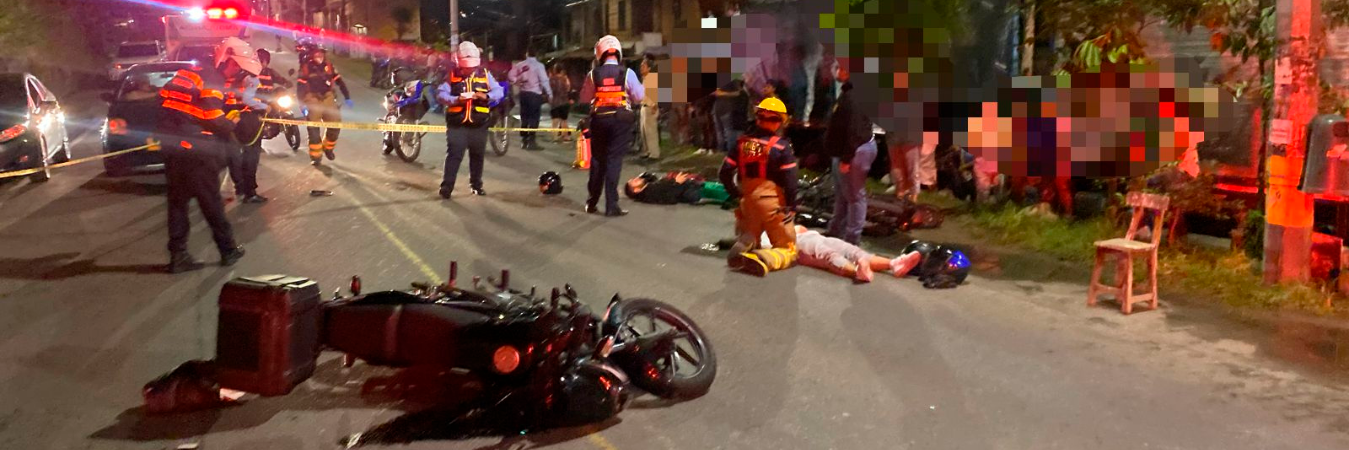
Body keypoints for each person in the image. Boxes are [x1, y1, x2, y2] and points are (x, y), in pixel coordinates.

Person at [156, 39, 248, 273]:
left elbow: (163, 99)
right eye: (237, 68)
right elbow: (215, 118)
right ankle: (228, 250)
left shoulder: (189, 70)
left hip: (172, 145)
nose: (236, 73)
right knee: (211, 201)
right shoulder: (213, 78)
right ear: (229, 62)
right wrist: (232, 123)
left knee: (177, 202)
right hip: (196, 149)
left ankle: (178, 255)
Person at [719, 97, 800, 276]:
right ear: (779, 121)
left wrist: (737, 194)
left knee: (751, 232)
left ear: (758, 118)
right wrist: (792, 207)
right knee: (790, 250)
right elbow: (791, 182)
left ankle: (746, 242)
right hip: (772, 203)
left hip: (747, 202)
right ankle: (763, 258)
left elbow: (724, 173)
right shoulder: (782, 147)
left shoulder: (744, 144)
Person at [578, 35, 645, 217]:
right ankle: (611, 205)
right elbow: (639, 96)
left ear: (599, 54)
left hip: (599, 120)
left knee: (598, 160)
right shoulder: (627, 73)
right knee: (614, 160)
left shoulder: (593, 75)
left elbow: (584, 99)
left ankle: (592, 202)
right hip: (621, 121)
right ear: (618, 53)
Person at [436, 41, 504, 199]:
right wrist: (456, 99)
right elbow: (441, 95)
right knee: (454, 154)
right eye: (466, 66)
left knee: (477, 155)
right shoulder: (451, 76)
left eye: (471, 66)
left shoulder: (485, 75)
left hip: (479, 124)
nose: (469, 69)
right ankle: (447, 187)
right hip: (457, 123)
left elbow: (498, 91)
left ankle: (476, 185)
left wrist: (486, 96)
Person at [823, 64, 876, 244]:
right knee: (842, 193)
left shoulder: (855, 96)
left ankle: (852, 238)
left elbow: (855, 130)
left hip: (855, 152)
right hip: (845, 151)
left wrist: (847, 158)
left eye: (840, 67)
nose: (836, 71)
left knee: (854, 196)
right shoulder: (848, 92)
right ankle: (836, 230)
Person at [760, 225, 921, 283]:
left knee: (851, 250)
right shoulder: (763, 235)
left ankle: (894, 264)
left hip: (813, 237)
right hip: (801, 244)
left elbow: (800, 228)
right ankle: (857, 271)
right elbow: (779, 248)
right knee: (831, 255)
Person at [221, 38, 270, 204]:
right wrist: (264, 106)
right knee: (251, 155)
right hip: (247, 120)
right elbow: (249, 99)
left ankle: (241, 187)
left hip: (228, 119)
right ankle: (250, 192)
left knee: (234, 156)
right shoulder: (251, 77)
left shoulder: (227, 76)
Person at [295, 47, 352, 165]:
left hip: (328, 97)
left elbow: (339, 81)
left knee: (335, 124)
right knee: (313, 129)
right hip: (312, 98)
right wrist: (302, 104)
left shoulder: (329, 66)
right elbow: (300, 87)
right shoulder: (306, 68)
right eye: (316, 54)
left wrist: (347, 97)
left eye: (321, 54)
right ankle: (316, 157)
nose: (319, 56)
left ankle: (328, 148)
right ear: (312, 56)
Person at [508, 48, 551, 151]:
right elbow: (544, 80)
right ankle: (531, 142)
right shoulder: (539, 66)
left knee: (524, 117)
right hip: (535, 95)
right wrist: (549, 93)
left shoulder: (519, 65)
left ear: (526, 54)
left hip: (523, 94)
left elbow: (510, 76)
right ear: (536, 54)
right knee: (534, 118)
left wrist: (517, 81)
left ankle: (524, 141)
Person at [625, 171, 731, 206]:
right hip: (689, 191)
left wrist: (643, 176)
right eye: (634, 182)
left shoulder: (649, 186)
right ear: (636, 190)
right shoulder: (649, 193)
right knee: (716, 190)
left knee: (715, 187)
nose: (636, 179)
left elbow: (653, 178)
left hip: (689, 186)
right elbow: (669, 198)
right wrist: (677, 183)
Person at [712, 79, 749, 155]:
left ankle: (731, 151)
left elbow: (737, 92)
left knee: (729, 132)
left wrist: (722, 93)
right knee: (720, 131)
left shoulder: (733, 81)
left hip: (727, 109)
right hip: (718, 109)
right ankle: (722, 149)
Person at [639, 53, 661, 160]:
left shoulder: (652, 78)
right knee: (644, 132)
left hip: (650, 107)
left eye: (643, 66)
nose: (641, 68)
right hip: (644, 107)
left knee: (651, 132)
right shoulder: (646, 78)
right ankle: (647, 151)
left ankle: (654, 154)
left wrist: (654, 105)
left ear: (649, 68)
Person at [549, 64, 574, 142]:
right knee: (564, 120)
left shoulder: (552, 79)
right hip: (565, 101)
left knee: (555, 120)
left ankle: (555, 137)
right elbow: (568, 89)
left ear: (555, 70)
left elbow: (550, 90)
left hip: (555, 102)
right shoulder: (565, 79)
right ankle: (566, 136)